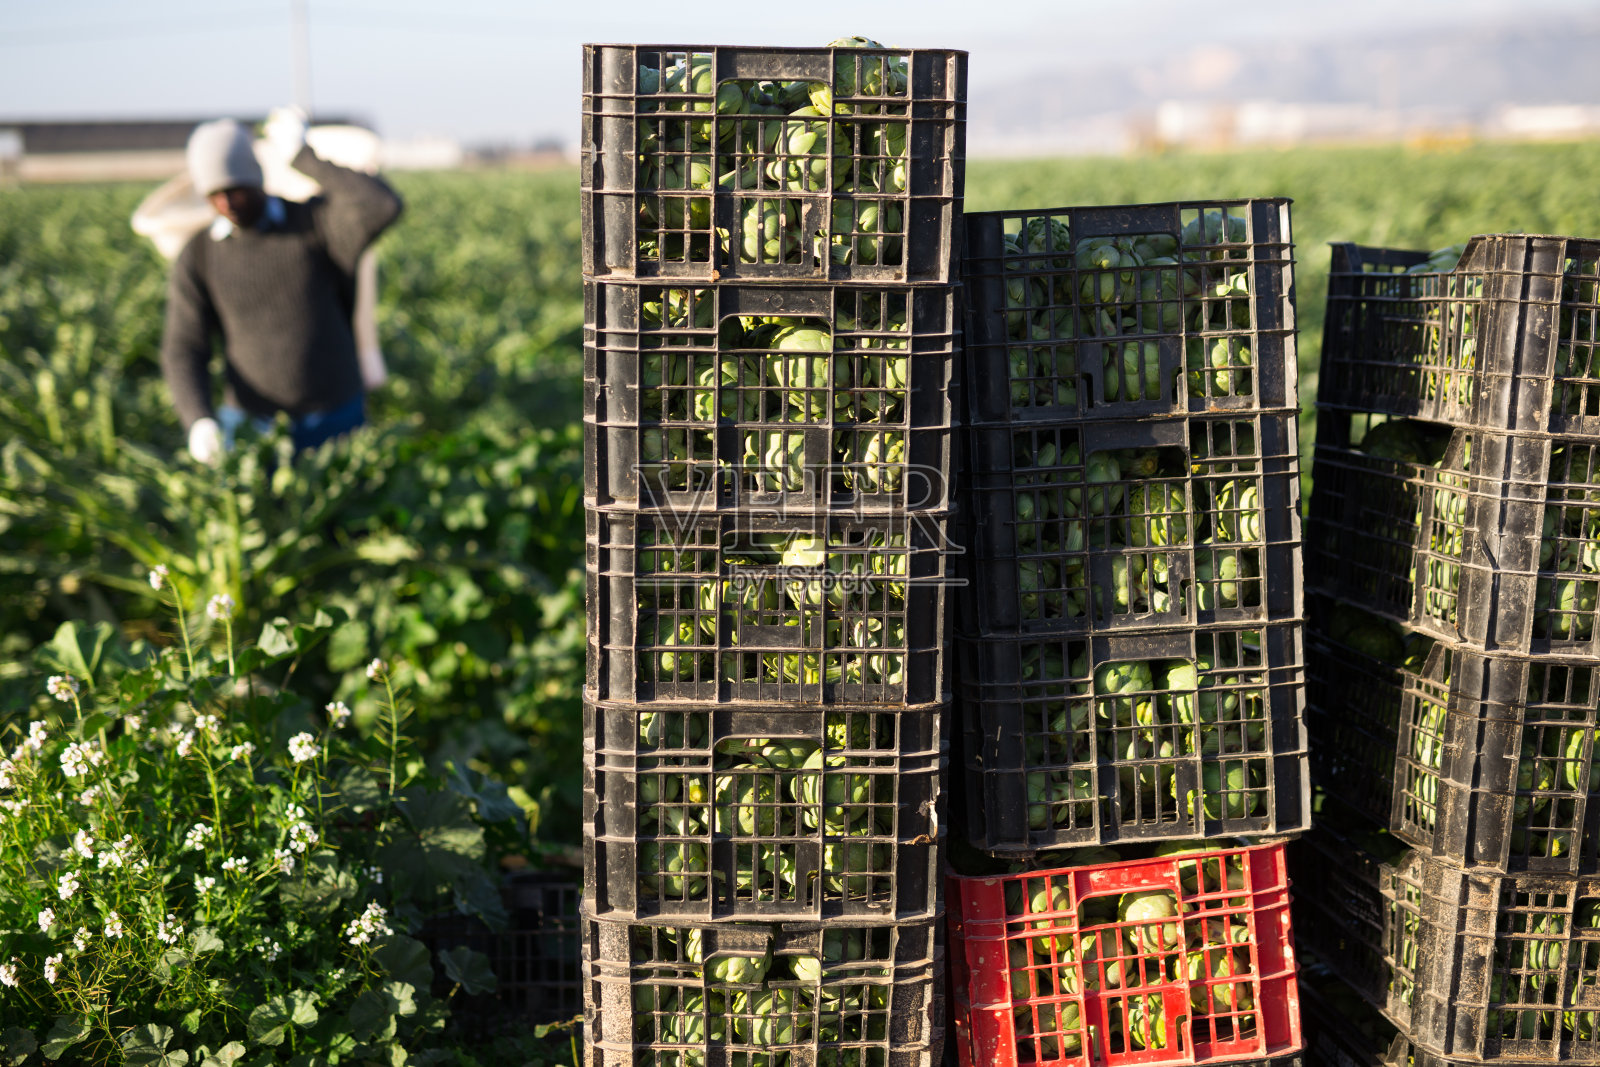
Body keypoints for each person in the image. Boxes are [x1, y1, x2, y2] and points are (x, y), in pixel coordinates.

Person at [160, 110, 403, 463]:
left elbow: (382, 206)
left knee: (347, 515)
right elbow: (183, 346)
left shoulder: (314, 224)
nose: (227, 203)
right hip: (252, 426)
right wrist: (197, 418)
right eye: (215, 195)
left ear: (257, 179)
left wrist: (303, 157)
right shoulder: (200, 254)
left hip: (335, 417)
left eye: (236, 190)